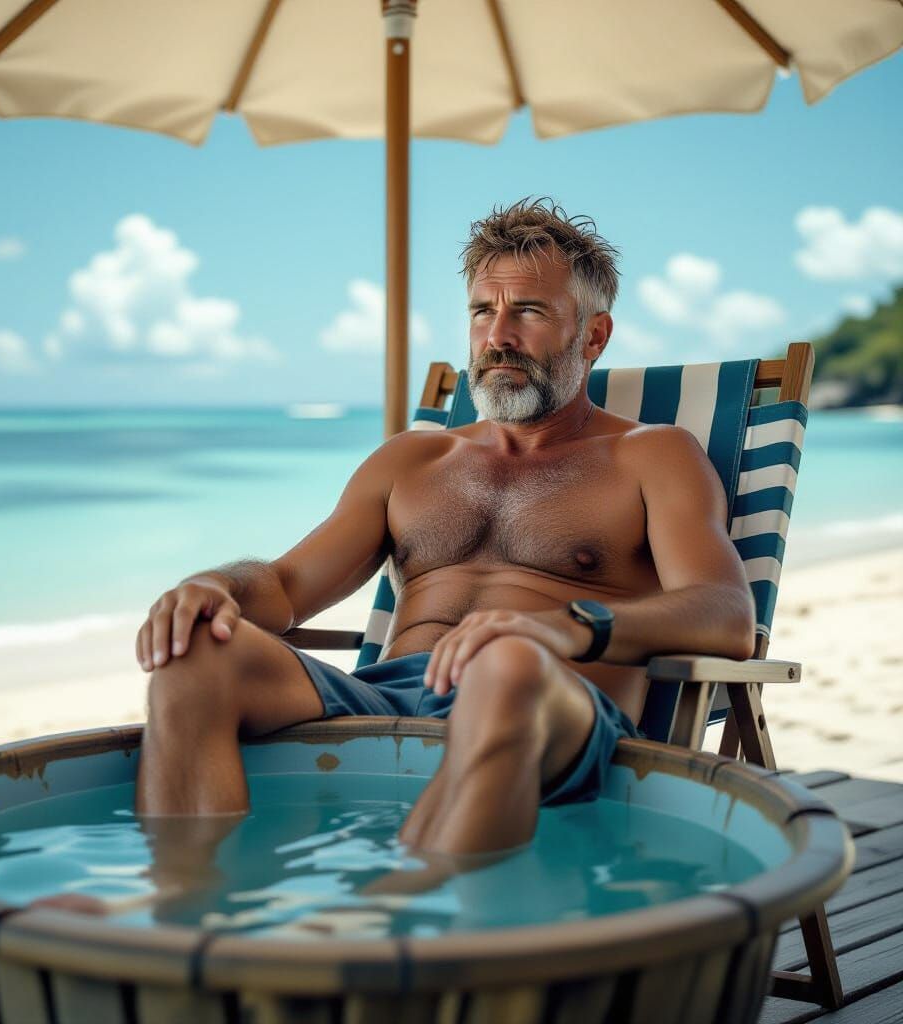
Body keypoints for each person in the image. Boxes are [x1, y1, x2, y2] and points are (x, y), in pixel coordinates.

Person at [135, 196, 755, 858]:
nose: (498, 337)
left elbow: (726, 614)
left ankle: (412, 907)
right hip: (383, 702)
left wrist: (567, 627)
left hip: (544, 702)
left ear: (594, 336)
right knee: (194, 654)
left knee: (506, 658)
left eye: (529, 312)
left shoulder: (653, 455)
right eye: (482, 311)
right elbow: (285, 587)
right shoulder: (413, 459)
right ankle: (192, 902)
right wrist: (215, 586)